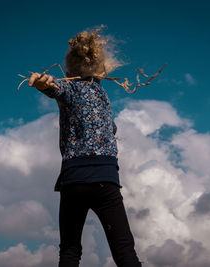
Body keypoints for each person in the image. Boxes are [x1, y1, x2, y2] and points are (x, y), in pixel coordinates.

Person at [28, 28, 142, 267]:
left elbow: (54, 88)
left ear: (68, 71)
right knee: (124, 250)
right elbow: (53, 88)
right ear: (103, 71)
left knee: (70, 250)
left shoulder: (69, 87)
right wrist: (42, 84)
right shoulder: (98, 94)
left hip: (74, 181)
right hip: (105, 179)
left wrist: (42, 83)